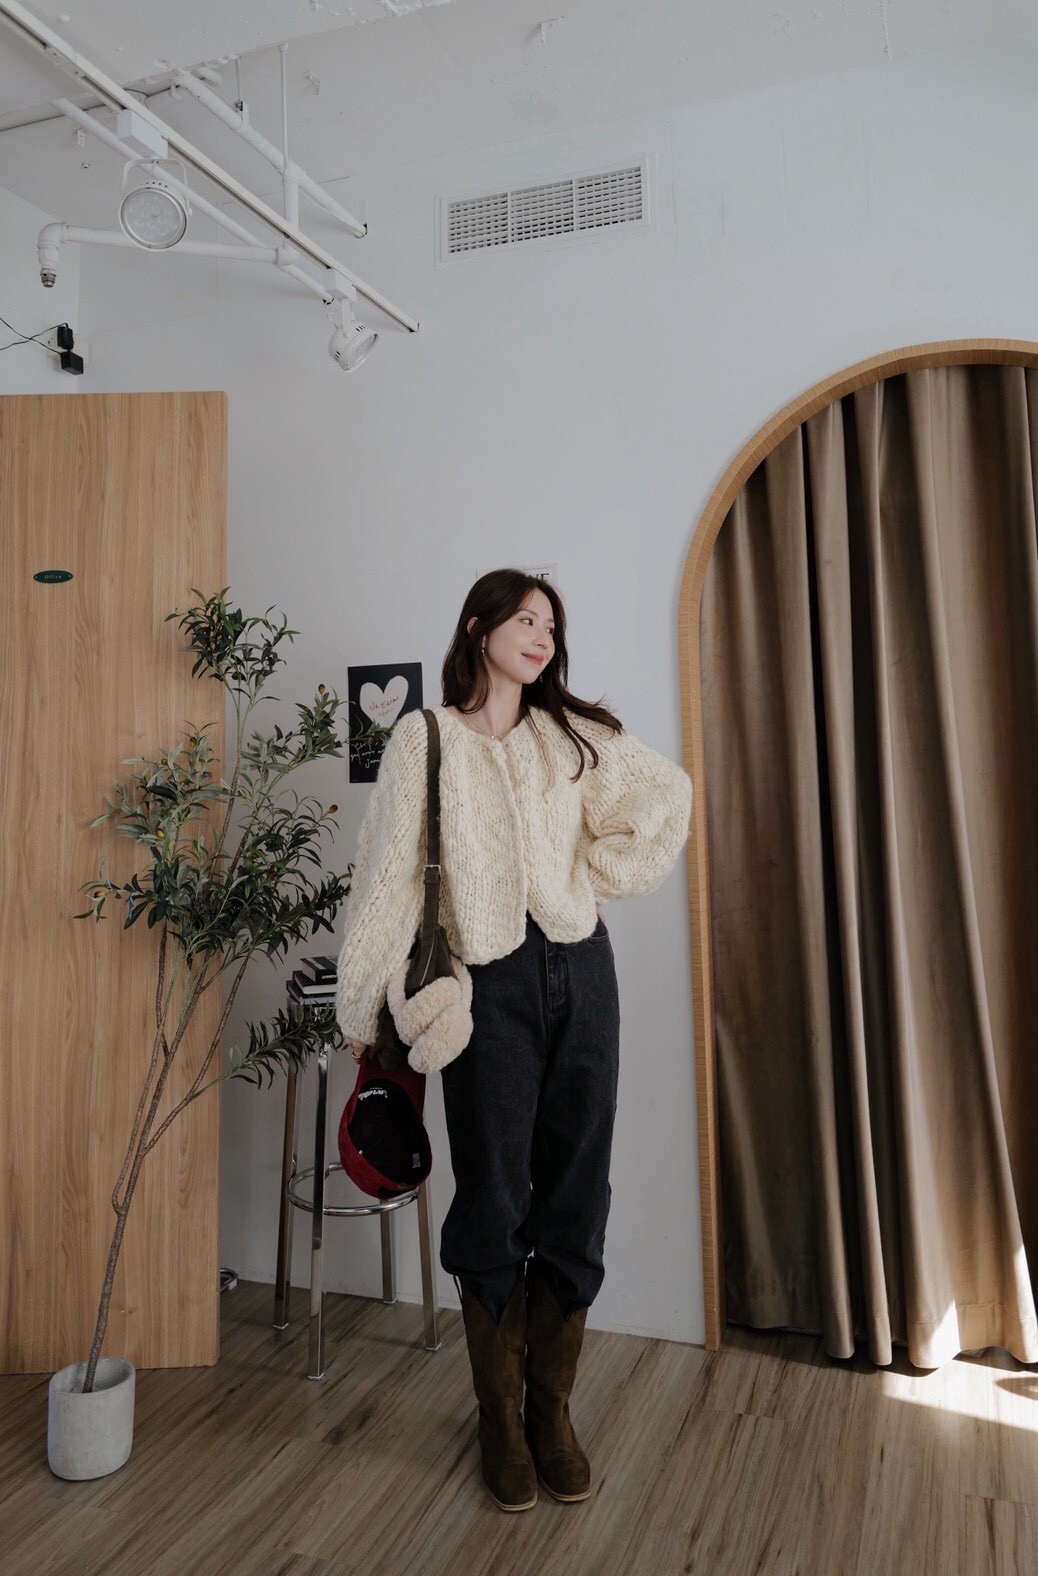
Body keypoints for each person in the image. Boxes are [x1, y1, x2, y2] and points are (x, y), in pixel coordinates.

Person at [335, 568, 693, 1513]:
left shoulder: (568, 735)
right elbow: (388, 877)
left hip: (584, 976)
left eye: (551, 626)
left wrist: (597, 873)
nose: (541, 636)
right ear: (477, 627)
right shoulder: (424, 738)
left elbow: (666, 795)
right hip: (485, 989)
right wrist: (365, 1007)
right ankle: (499, 1419)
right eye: (525, 619)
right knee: (493, 1196)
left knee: (579, 1189)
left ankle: (551, 1413)